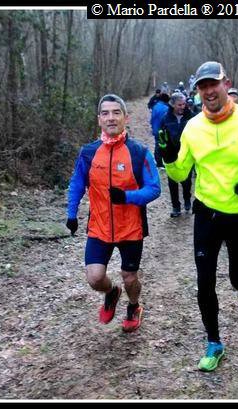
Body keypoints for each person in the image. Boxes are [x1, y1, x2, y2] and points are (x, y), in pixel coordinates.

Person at [158, 62, 238, 371]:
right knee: (204, 282)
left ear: (225, 84)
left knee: (236, 280)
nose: (208, 91)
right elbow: (181, 173)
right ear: (198, 92)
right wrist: (168, 157)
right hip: (207, 213)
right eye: (202, 87)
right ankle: (214, 343)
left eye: (213, 84)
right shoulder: (193, 127)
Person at [65, 94, 161, 333]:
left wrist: (127, 197)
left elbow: (154, 188)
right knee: (95, 278)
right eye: (105, 113)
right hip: (99, 227)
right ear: (99, 119)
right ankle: (112, 292)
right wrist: (71, 213)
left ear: (125, 118)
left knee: (130, 277)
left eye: (116, 112)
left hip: (131, 228)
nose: (111, 118)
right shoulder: (88, 153)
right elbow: (77, 184)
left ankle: (134, 306)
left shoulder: (139, 152)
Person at [159, 92, 195, 217]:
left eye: (184, 104)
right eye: (179, 105)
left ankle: (187, 199)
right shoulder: (165, 118)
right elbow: (160, 137)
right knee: (172, 181)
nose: (182, 107)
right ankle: (176, 207)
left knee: (187, 181)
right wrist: (160, 153)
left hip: (187, 154)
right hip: (170, 154)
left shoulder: (191, 117)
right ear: (173, 105)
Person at [150, 93, 170, 168]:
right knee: (163, 145)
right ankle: (161, 163)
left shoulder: (155, 106)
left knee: (157, 145)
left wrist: (153, 127)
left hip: (155, 129)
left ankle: (158, 162)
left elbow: (152, 119)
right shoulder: (166, 108)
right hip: (162, 130)